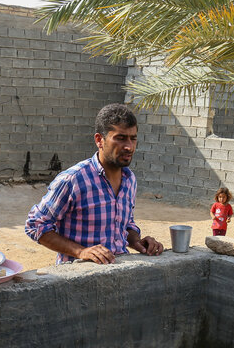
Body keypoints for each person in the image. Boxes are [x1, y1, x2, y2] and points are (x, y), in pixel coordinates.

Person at [25, 104, 164, 264]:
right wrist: (81, 251)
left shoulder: (129, 179)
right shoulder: (73, 180)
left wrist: (136, 241)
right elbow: (35, 225)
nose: (129, 146)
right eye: (120, 138)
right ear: (99, 140)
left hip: (122, 274)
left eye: (133, 138)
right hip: (80, 279)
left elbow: (124, 223)